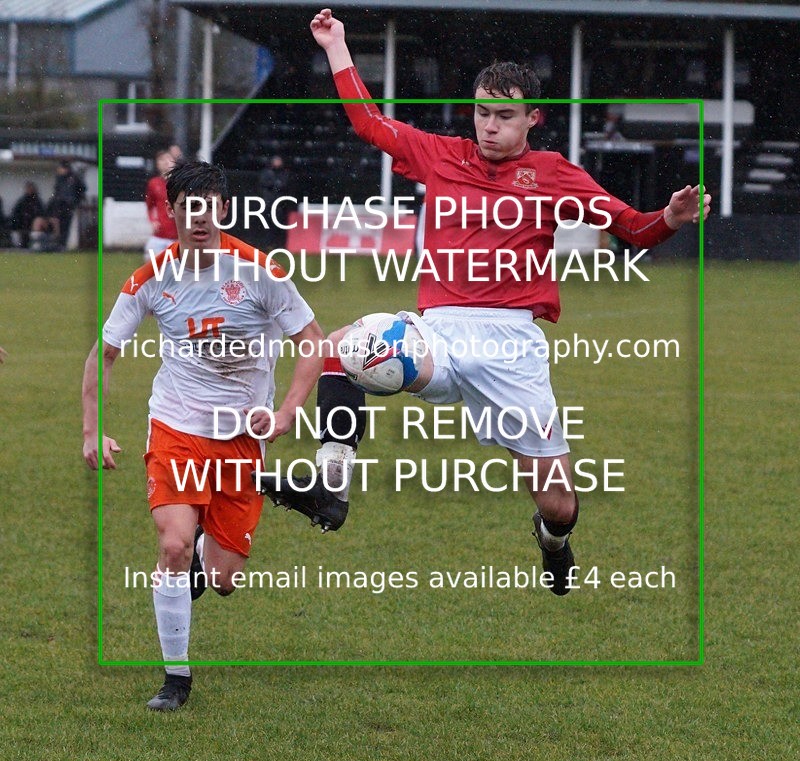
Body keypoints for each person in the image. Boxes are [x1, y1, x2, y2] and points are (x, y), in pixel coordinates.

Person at [257, 8, 711, 597]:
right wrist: (337, 46)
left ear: (533, 118)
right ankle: (331, 488)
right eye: (482, 112)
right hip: (440, 333)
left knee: (559, 504)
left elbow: (632, 228)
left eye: (504, 115)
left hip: (511, 349)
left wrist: (669, 217)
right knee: (343, 349)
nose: (489, 126)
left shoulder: (553, 174)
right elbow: (369, 123)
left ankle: (553, 542)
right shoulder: (443, 155)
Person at [82, 159, 325, 710]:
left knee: (222, 579)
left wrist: (286, 413)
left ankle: (220, 529)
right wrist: (93, 431)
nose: (198, 218)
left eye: (208, 208)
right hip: (176, 426)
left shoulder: (259, 271)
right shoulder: (151, 278)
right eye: (187, 208)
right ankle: (176, 679)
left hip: (241, 436)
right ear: (170, 211)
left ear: (223, 210)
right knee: (171, 545)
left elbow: (312, 342)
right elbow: (104, 353)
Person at [144, 150, 178, 259]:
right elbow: (149, 206)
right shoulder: (153, 183)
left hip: (177, 236)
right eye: (162, 160)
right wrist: (153, 221)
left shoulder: (181, 184)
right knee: (151, 263)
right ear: (157, 164)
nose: (166, 162)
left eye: (169, 159)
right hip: (159, 235)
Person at [258, 155, 291, 248]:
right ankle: (267, 244)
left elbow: (284, 184)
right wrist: (275, 184)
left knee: (279, 224)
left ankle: (278, 244)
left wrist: (275, 184)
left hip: (279, 204)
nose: (277, 163)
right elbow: (264, 183)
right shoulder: (266, 172)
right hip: (268, 202)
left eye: (279, 161)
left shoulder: (284, 173)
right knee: (267, 224)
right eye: (276, 161)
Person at [9, 182, 44, 248]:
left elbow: (40, 214)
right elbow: (15, 213)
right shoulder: (22, 201)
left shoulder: (37, 202)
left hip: (33, 225)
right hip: (21, 225)